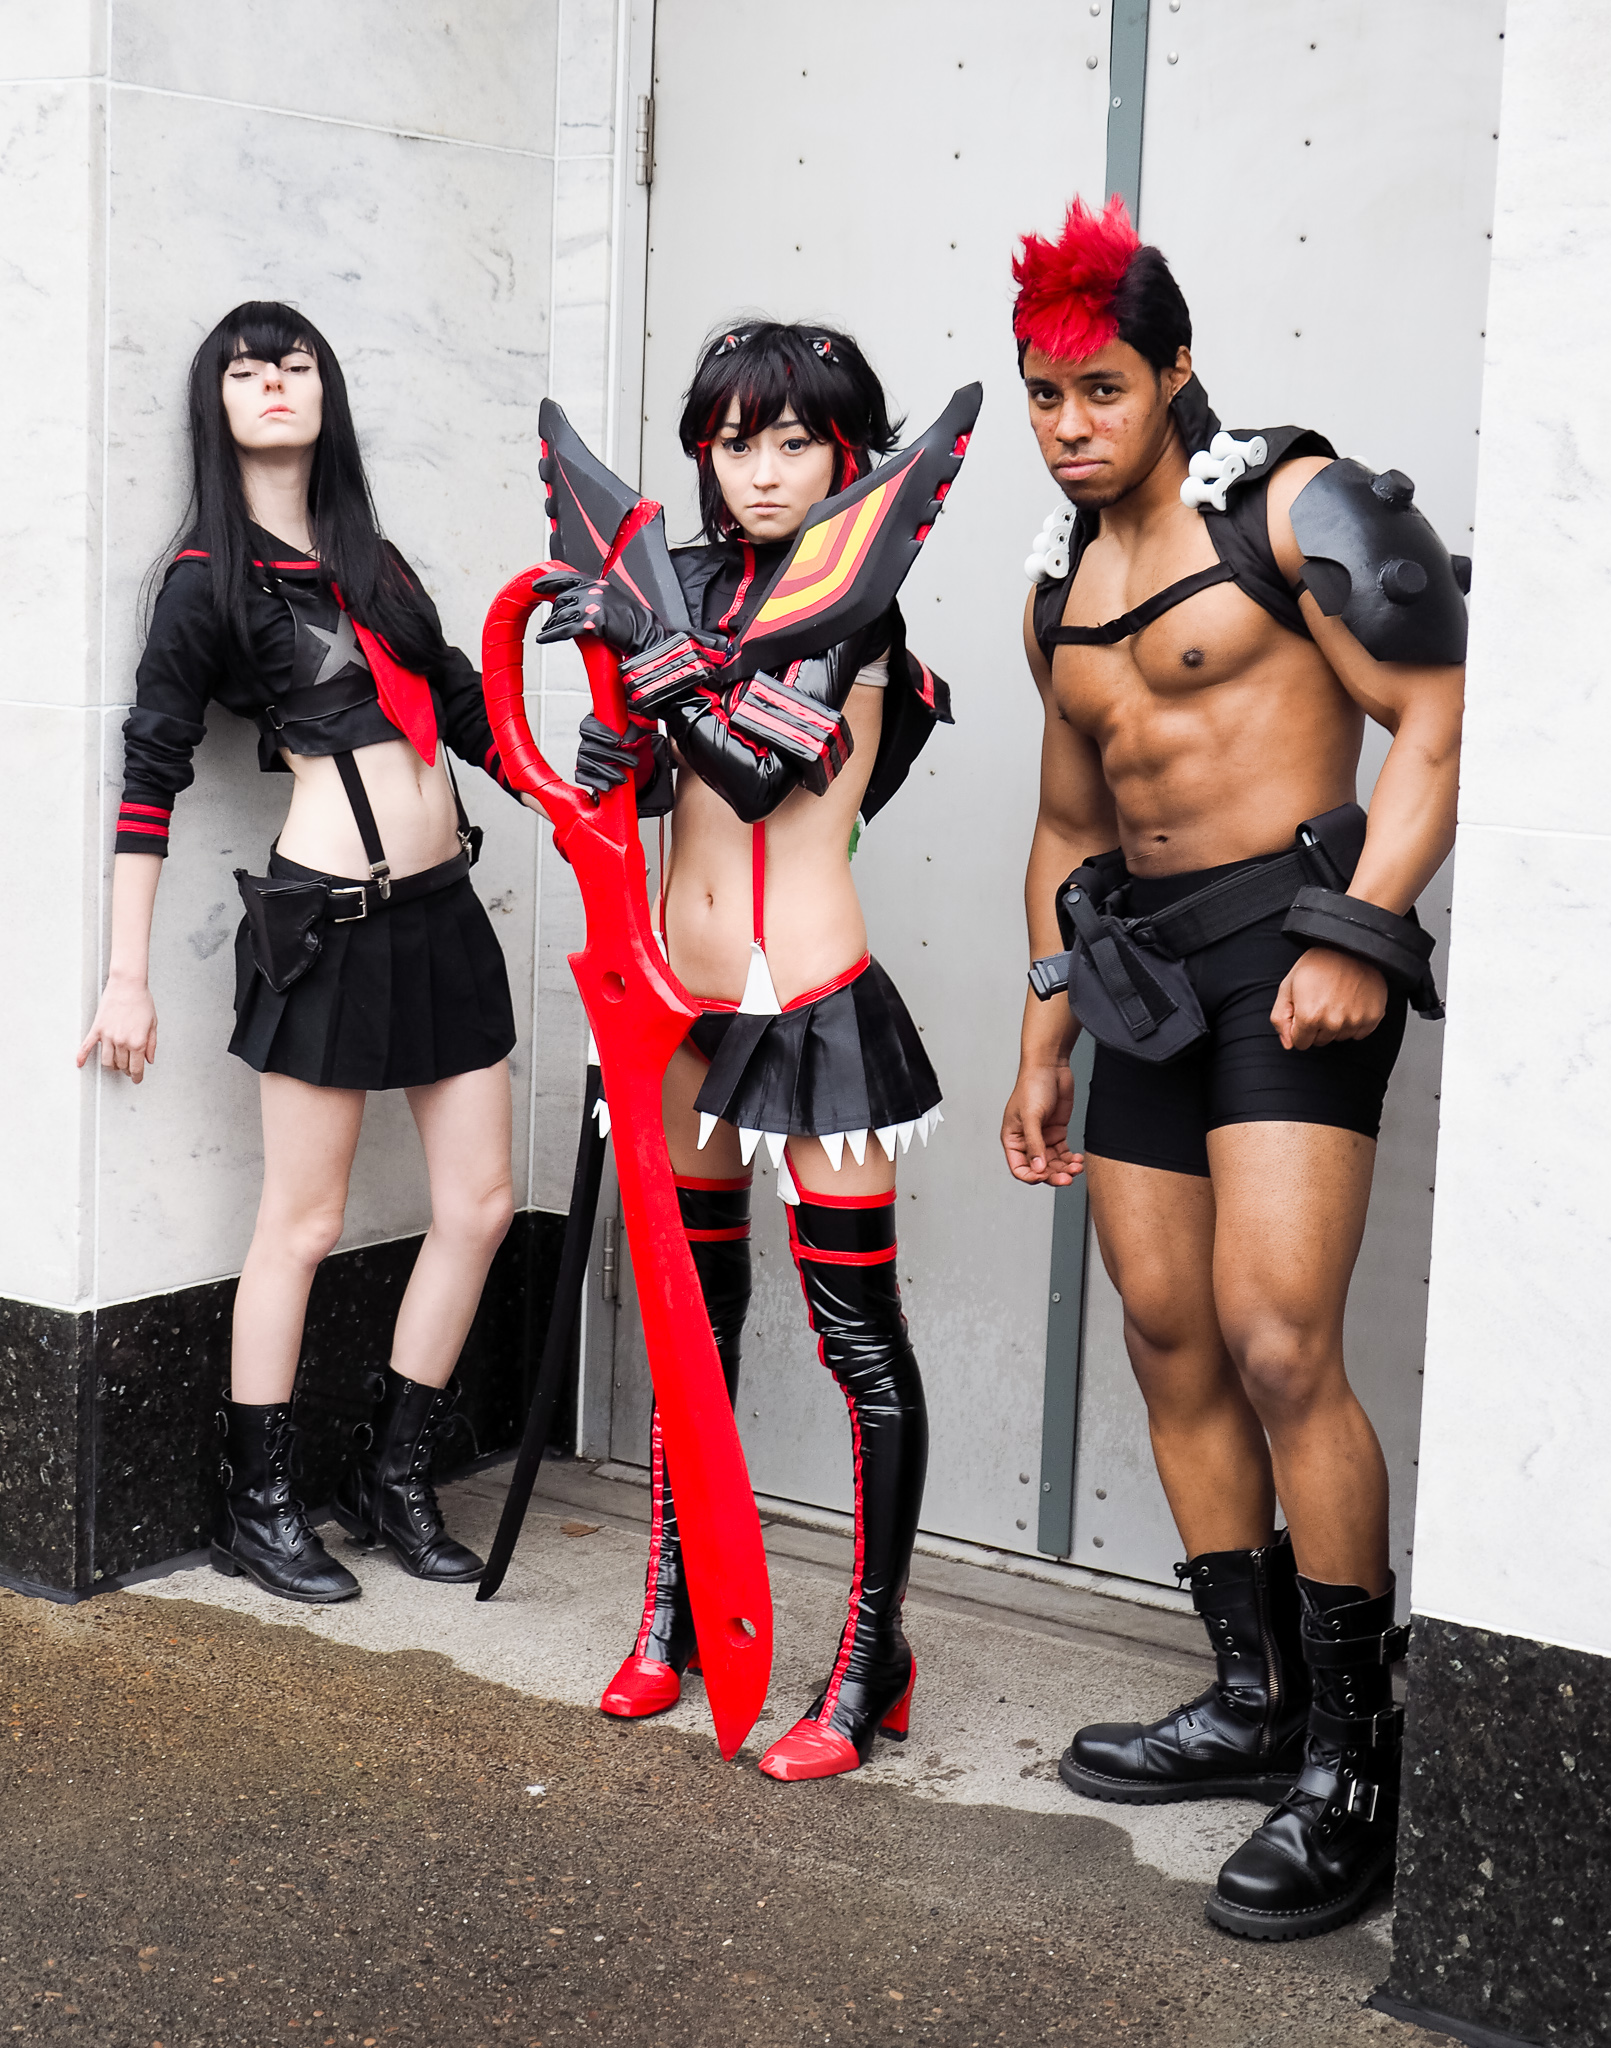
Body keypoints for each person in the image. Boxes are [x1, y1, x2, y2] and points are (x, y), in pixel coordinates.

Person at [998, 200, 1465, 1938]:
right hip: (1141, 980)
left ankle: (1351, 1767)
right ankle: (1250, 1699)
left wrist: (1358, 930)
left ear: (1174, 369)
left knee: (1278, 1342)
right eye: (1044, 394)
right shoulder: (1054, 587)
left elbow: (1434, 716)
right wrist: (1041, 1031)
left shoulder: (1290, 506)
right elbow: (1066, 824)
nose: (1068, 425)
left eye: (1100, 389)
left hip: (1290, 955)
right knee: (1167, 1331)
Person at [536, 322, 953, 1782]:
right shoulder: (677, 587)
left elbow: (765, 773)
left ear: (849, 454)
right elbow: (674, 781)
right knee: (686, 1318)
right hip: (677, 1005)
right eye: (734, 442)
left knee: (856, 1339)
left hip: (814, 1004)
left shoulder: (855, 601)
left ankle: (870, 1657)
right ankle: (679, 1608)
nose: (762, 471)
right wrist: (612, 759)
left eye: (793, 442)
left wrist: (649, 665)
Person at [78, 302, 523, 1605]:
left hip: (443, 914)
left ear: (327, 392)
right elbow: (151, 773)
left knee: (482, 1207)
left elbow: (468, 711)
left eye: (296, 364)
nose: (274, 382)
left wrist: (590, 788)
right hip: (324, 924)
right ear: (214, 404)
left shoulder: (374, 562)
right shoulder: (204, 581)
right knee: (305, 1220)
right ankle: (257, 1506)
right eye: (246, 369)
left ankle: (392, 1478)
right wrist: (125, 974)